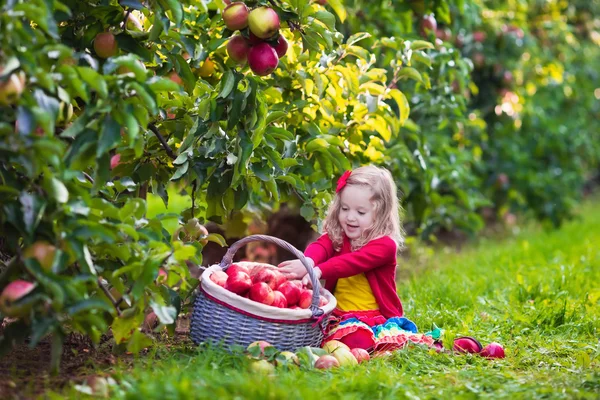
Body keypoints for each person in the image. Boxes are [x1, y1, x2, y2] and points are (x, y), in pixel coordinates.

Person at [278, 166, 437, 353]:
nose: (350, 217)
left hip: (370, 317)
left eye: (361, 212)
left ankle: (356, 346)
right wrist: (308, 262)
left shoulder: (385, 245)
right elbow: (321, 245)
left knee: (355, 338)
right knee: (309, 330)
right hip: (337, 314)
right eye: (345, 208)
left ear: (380, 214)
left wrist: (318, 271)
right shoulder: (341, 235)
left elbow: (351, 263)